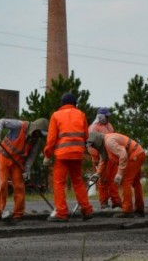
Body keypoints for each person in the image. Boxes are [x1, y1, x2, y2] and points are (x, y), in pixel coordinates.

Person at [43, 92, 94, 222]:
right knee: (78, 182)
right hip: (77, 153)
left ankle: (61, 212)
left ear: (62, 103)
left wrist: (47, 155)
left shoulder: (56, 115)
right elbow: (86, 136)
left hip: (62, 155)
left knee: (59, 183)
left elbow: (51, 138)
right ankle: (87, 210)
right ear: (74, 103)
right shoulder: (81, 114)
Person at [0, 117, 49, 223]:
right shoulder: (20, 126)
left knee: (19, 186)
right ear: (35, 129)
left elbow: (31, 157)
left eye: (41, 135)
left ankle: (18, 214)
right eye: (39, 133)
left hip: (18, 162)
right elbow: (2, 121)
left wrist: (27, 170)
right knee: (3, 184)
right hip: (4, 156)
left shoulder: (36, 141)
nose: (39, 136)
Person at [87, 131, 145, 218]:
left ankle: (127, 210)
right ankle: (139, 209)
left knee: (125, 181)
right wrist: (98, 174)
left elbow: (123, 154)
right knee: (135, 183)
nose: (93, 147)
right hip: (137, 153)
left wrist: (120, 173)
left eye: (93, 144)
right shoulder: (105, 146)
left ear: (97, 141)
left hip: (134, 155)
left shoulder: (109, 142)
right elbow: (104, 160)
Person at [88, 107, 121, 210]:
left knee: (113, 180)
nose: (108, 118)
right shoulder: (93, 128)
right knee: (102, 181)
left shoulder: (108, 125)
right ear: (101, 116)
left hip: (111, 157)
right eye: (106, 116)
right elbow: (91, 146)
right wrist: (95, 158)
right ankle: (104, 202)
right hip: (101, 158)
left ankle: (116, 202)